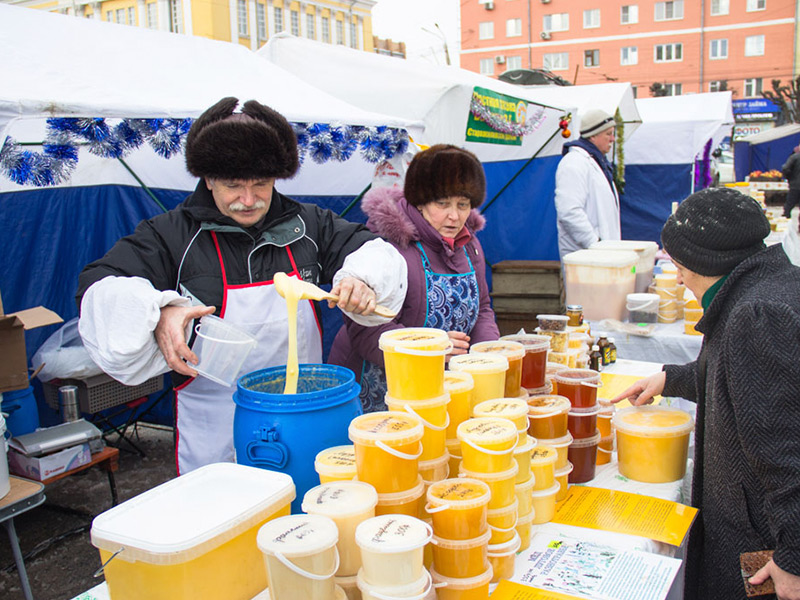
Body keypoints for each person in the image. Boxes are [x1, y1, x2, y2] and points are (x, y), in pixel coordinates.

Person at [77, 97, 407, 474]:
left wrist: (362, 278)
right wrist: (159, 312)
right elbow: (99, 287)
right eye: (233, 186)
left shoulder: (310, 226)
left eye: (261, 184)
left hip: (303, 414)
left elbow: (372, 250)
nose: (248, 200)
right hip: (214, 426)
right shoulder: (170, 235)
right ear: (208, 180)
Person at [614, 188, 800, 600]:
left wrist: (794, 557)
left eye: (680, 267)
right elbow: (747, 385)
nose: (678, 279)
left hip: (757, 541)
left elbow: (785, 450)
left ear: (707, 263)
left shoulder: (757, 314)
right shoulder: (767, 282)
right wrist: (675, 379)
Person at [328, 144, 500, 412]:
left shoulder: (470, 245)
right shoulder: (390, 248)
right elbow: (365, 328)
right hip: (377, 387)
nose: (454, 216)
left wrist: (487, 356)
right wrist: (430, 349)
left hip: (436, 385)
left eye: (463, 205)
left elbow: (483, 310)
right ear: (420, 201)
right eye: (442, 203)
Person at [554, 108, 621, 259]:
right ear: (593, 136)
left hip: (603, 255)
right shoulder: (573, 163)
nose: (613, 139)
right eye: (608, 134)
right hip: (587, 258)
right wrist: (595, 244)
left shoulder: (597, 162)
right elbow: (569, 211)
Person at [781, 145, 800, 217]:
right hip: (795, 184)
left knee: (789, 206)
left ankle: (785, 223)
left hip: (795, 185)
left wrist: (788, 178)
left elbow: (786, 168)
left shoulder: (794, 157)